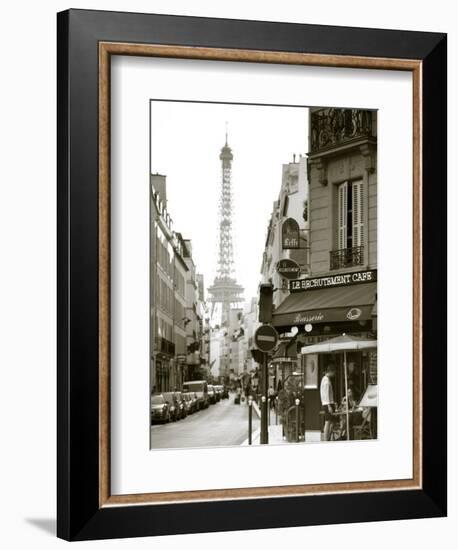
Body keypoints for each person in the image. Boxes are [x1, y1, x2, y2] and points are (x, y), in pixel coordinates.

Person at [320, 364, 336, 441]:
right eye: (334, 372)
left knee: (331, 421)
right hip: (327, 403)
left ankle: (328, 437)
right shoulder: (326, 380)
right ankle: (326, 439)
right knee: (328, 422)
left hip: (327, 403)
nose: (334, 374)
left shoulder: (325, 379)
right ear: (331, 371)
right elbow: (326, 393)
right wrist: (329, 405)